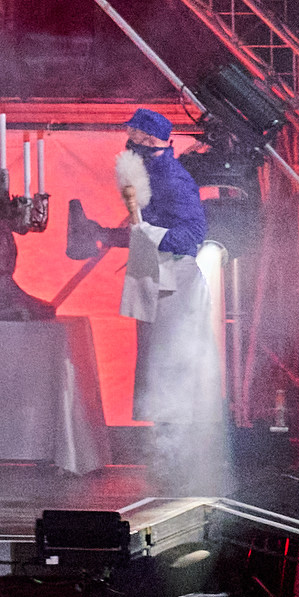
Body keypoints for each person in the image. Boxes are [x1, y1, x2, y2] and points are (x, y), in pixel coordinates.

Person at [117, 106, 221, 471]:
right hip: (159, 280)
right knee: (158, 366)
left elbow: (192, 235)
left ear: (146, 141)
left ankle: (177, 459)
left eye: (134, 137)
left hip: (176, 284)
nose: (128, 143)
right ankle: (167, 455)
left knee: (173, 366)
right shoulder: (150, 176)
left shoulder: (172, 179)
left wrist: (147, 234)